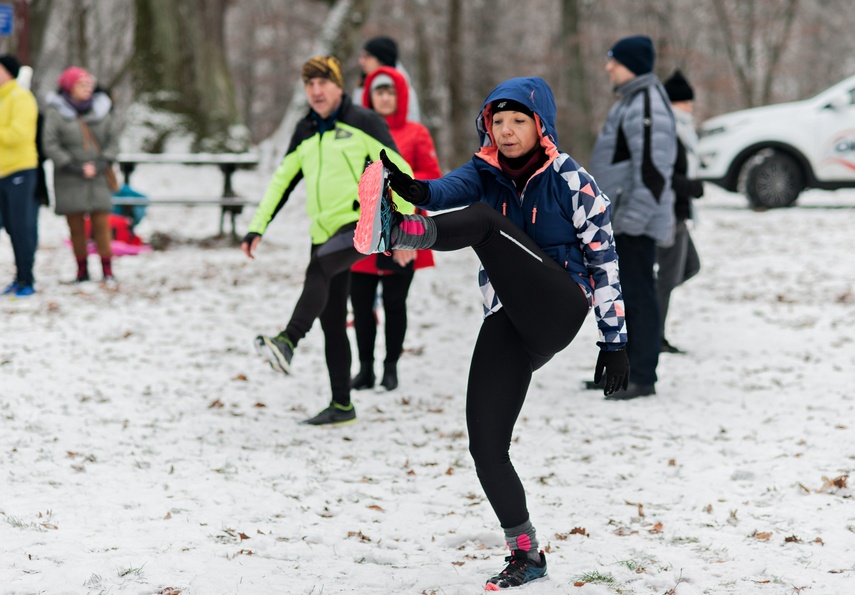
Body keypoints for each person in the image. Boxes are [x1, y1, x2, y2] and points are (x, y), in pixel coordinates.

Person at [354, 77, 629, 590]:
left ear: (540, 125)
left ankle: (401, 232)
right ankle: (526, 553)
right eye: (496, 122)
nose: (504, 132)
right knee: (486, 442)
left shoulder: (573, 181)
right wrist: (410, 189)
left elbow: (606, 264)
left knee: (484, 222)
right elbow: (444, 190)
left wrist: (614, 343)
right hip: (513, 319)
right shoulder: (485, 171)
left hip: (561, 304)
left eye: (517, 121)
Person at [242, 56, 414, 426]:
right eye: (310, 85)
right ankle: (342, 405)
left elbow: (400, 170)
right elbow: (282, 180)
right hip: (322, 232)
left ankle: (287, 341)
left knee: (318, 267)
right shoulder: (305, 129)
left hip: (362, 222)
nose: (316, 91)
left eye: (323, 83)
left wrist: (406, 228)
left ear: (339, 87)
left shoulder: (363, 121)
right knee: (332, 321)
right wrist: (258, 226)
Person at [588, 35, 676, 400]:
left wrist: (631, 221)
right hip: (621, 218)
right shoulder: (633, 101)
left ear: (633, 64)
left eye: (615, 61)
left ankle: (642, 376)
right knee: (619, 298)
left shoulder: (648, 105)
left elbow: (655, 171)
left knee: (638, 297)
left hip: (634, 223)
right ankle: (618, 373)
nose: (609, 66)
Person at [350, 66, 441, 392]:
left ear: (400, 95)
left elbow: (430, 176)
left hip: (403, 233)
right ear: (369, 96)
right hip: (363, 230)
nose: (385, 97)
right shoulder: (357, 130)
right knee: (360, 304)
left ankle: (391, 367)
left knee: (394, 303)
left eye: (390, 91)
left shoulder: (416, 133)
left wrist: (393, 177)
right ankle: (365, 369)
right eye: (379, 91)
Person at [43, 66, 119, 284]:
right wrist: (73, 166)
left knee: (102, 225)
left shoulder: (102, 110)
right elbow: (50, 143)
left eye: (89, 85)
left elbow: (113, 141)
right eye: (81, 84)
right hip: (69, 177)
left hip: (98, 175)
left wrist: (101, 162)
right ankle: (82, 270)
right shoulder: (56, 113)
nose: (87, 89)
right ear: (69, 87)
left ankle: (107, 270)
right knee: (76, 227)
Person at [658, 69, 703, 354]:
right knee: (666, 280)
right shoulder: (668, 132)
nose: (690, 107)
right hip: (669, 214)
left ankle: (650, 315)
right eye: (686, 102)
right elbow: (663, 175)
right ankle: (654, 334)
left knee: (689, 267)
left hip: (680, 213)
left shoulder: (682, 131)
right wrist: (692, 187)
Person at [0, 55, 40, 298]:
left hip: (20, 170)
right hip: (2, 172)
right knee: (11, 228)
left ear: (8, 72)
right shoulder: (2, 99)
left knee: (21, 227)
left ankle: (27, 279)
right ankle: (18, 276)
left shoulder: (20, 96)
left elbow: (19, 134)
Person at [355, 36, 422, 122]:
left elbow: (410, 127)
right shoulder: (363, 85)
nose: (361, 62)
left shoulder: (403, 89)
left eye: (366, 56)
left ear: (381, 58)